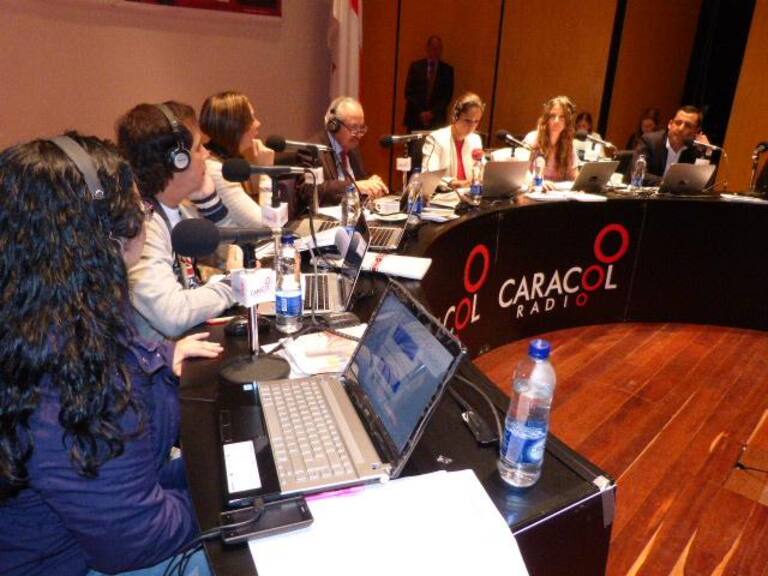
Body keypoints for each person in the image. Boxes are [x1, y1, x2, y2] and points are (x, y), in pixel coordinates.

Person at [0, 133, 222, 575]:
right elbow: (138, 538)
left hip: (95, 529)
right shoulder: (72, 369)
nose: (144, 216)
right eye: (139, 207)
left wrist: (159, 357)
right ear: (105, 234)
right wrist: (239, 502)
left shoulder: (45, 311)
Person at [116, 101, 238, 342]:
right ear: (178, 161)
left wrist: (210, 204)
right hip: (158, 361)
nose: (207, 154)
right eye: (199, 147)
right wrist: (235, 286)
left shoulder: (182, 211)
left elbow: (233, 250)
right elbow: (173, 315)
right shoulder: (141, 227)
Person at [296, 96, 388, 215]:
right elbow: (309, 191)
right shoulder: (312, 150)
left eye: (362, 128)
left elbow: (360, 181)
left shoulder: (353, 149)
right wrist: (354, 187)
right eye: (354, 128)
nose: (359, 135)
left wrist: (370, 184)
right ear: (334, 126)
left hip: (352, 216)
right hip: (322, 219)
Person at [200, 90, 270, 227]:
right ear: (234, 127)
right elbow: (266, 224)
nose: (258, 123)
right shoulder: (216, 170)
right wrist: (266, 171)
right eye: (251, 118)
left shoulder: (228, 161)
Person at [630, 105, 714, 186]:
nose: (681, 129)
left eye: (688, 126)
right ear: (670, 124)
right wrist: (669, 183)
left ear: (696, 131)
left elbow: (703, 184)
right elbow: (637, 174)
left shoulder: (696, 149)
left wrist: (706, 152)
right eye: (678, 123)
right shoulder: (650, 141)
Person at [422, 92, 485, 189]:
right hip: (444, 195)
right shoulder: (436, 138)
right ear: (455, 117)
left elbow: (481, 172)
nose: (472, 126)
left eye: (476, 121)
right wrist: (455, 183)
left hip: (469, 195)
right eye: (467, 120)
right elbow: (429, 176)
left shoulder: (475, 139)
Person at [403, 35, 455, 132]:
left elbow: (447, 96)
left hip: (437, 120)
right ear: (427, 48)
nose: (435, 51)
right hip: (415, 118)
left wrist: (432, 113)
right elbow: (409, 93)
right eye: (433, 47)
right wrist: (421, 113)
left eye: (438, 48)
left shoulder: (447, 70)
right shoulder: (416, 67)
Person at [523, 95, 579, 184]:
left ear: (567, 122)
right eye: (553, 116)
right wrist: (539, 182)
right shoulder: (532, 138)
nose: (556, 121)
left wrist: (581, 184)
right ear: (547, 119)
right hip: (535, 189)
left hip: (557, 191)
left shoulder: (569, 144)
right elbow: (522, 172)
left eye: (562, 117)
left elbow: (574, 176)